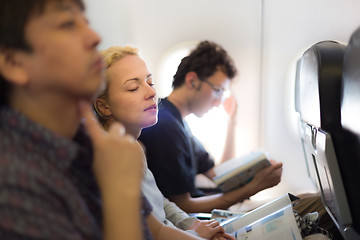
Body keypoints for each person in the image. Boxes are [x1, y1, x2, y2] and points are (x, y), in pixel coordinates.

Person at [0, 0, 151, 239]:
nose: (94, 37)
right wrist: (121, 194)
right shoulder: (12, 180)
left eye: (87, 23)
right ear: (14, 62)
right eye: (67, 24)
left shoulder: (89, 143)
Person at [92, 45, 235, 240]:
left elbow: (160, 203)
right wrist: (194, 235)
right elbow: (151, 232)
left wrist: (194, 225)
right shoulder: (108, 158)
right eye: (133, 87)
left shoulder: (133, 146)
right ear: (104, 105)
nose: (151, 92)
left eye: (150, 82)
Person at [138, 40, 283, 213]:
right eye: (217, 90)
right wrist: (253, 188)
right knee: (304, 203)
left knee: (301, 201)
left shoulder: (180, 123)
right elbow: (184, 206)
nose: (219, 101)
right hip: (201, 217)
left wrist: (232, 121)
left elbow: (219, 175)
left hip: (214, 207)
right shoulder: (165, 126)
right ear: (192, 81)